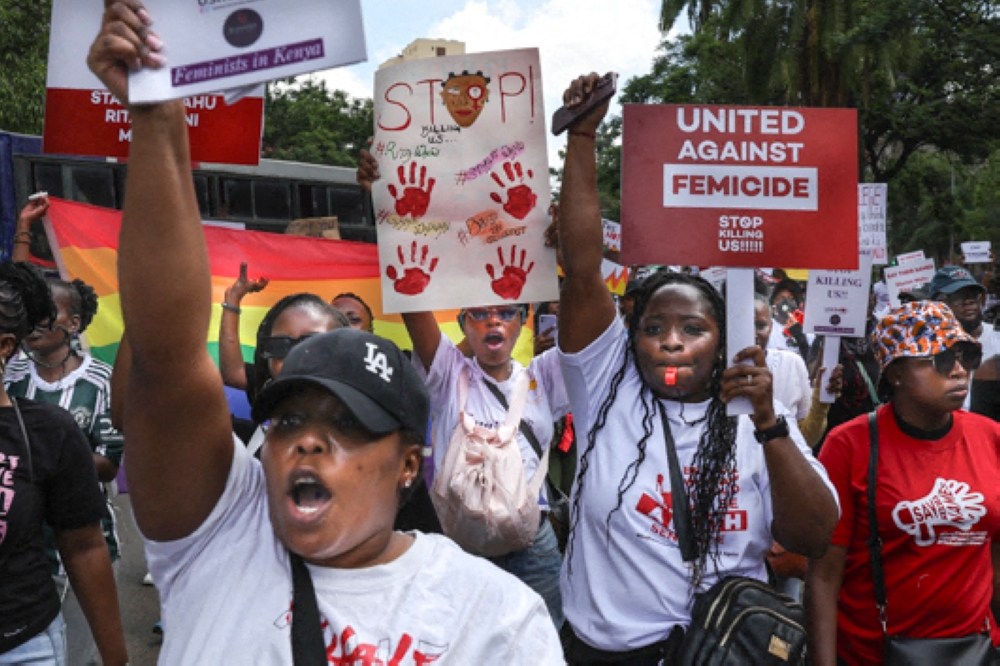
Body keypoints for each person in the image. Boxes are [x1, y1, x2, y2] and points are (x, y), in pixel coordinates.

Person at [88, 6, 561, 663]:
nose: (309, 438)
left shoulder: (496, 617)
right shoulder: (218, 531)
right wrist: (158, 115)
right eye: (289, 421)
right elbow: (166, 359)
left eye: (349, 422)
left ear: (407, 465)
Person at [553, 72, 839, 661]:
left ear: (722, 342)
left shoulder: (755, 414)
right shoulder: (607, 385)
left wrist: (769, 426)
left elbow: (813, 535)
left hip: (726, 651)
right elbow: (582, 270)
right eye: (654, 328)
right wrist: (583, 139)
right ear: (632, 338)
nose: (671, 342)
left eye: (693, 328)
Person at [357, 150, 569, 629]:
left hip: (531, 547)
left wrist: (567, 251)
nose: (493, 319)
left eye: (506, 311)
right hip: (460, 544)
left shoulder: (544, 376)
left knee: (542, 644)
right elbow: (411, 297)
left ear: (522, 322)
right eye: (479, 312)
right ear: (463, 323)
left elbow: (584, 333)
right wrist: (380, 205)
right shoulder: (446, 373)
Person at [806, 301, 1000, 665]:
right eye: (940, 359)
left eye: (965, 356)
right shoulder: (848, 445)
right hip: (873, 654)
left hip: (975, 651)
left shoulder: (991, 437)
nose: (959, 370)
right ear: (896, 374)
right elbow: (823, 577)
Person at [0, 262, 127, 665]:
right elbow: (16, 296)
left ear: (4, 346)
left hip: (24, 642)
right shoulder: (22, 371)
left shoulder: (51, 427)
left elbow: (85, 544)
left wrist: (116, 659)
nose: (37, 328)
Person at [929, 265, 1000, 409]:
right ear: (937, 303)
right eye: (957, 297)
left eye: (973, 295)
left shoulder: (998, 339)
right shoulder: (927, 349)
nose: (968, 302)